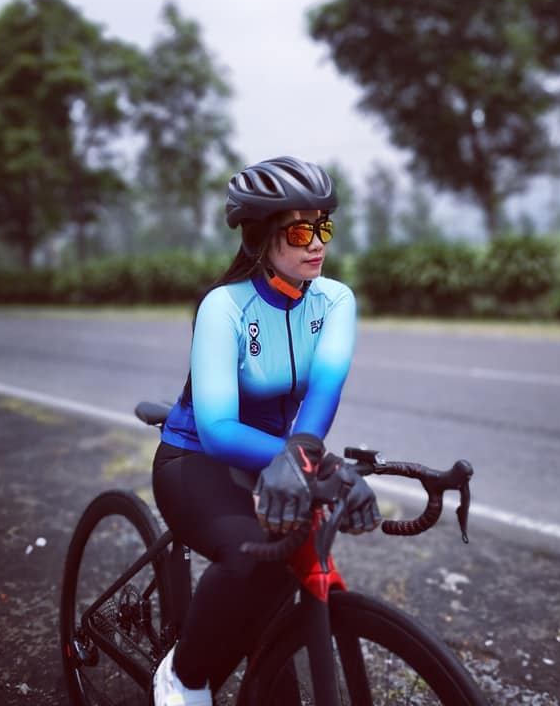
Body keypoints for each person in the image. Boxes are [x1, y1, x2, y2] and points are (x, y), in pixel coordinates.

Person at [151, 155, 380, 706]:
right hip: (196, 459)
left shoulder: (335, 300)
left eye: (323, 227)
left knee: (287, 569)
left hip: (277, 458)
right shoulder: (224, 306)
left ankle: (264, 670)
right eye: (300, 231)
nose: (317, 243)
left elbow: (323, 393)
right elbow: (218, 429)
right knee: (256, 557)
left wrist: (305, 458)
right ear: (258, 237)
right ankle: (183, 676)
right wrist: (307, 462)